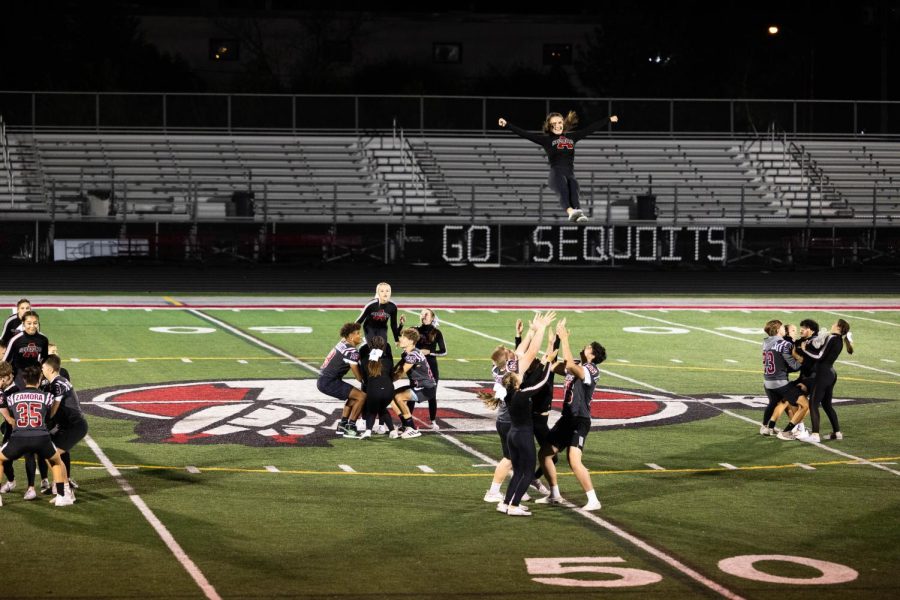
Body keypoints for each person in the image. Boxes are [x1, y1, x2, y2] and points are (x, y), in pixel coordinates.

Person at [498, 111, 619, 222]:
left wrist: (608, 119)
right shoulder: (546, 140)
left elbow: (590, 129)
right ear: (549, 126)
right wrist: (507, 124)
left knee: (574, 186)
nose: (557, 126)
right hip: (556, 174)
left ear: (563, 123)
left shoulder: (572, 137)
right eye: (553, 124)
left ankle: (578, 213)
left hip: (570, 173)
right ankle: (571, 212)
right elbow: (525, 134)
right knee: (564, 191)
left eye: (559, 122)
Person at [536, 319, 606, 511]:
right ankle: (554, 494)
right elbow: (554, 364)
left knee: (574, 461)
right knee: (544, 454)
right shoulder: (575, 363)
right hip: (567, 419)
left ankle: (593, 499)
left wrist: (565, 339)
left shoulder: (591, 370)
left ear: (592, 354)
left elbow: (571, 366)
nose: (584, 348)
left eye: (587, 347)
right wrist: (555, 341)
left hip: (579, 420)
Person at [498, 316, 558, 517]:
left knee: (517, 470)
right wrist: (540, 331)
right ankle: (514, 506)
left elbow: (524, 352)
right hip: (521, 433)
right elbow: (533, 358)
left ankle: (506, 503)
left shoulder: (508, 383)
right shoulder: (521, 393)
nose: (514, 354)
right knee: (526, 471)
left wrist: (532, 332)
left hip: (512, 431)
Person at [0, 365, 72, 507]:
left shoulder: (13, 397)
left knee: (1, 460)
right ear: (39, 379)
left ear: (24, 379)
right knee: (56, 461)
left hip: (19, 438)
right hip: (42, 437)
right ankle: (61, 497)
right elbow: (52, 414)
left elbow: (7, 412)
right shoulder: (47, 397)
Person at [787, 319, 853, 443]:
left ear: (838, 327)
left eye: (834, 324)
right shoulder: (838, 340)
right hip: (830, 373)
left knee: (813, 404)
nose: (832, 325)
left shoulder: (832, 338)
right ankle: (836, 433)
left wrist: (804, 349)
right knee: (827, 405)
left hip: (823, 374)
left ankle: (815, 435)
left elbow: (819, 356)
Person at [42, 354, 87, 495]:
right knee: (49, 453)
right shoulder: (59, 382)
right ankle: (61, 486)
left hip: (75, 426)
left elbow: (54, 408)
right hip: (70, 425)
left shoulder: (57, 383)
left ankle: (65, 489)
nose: (42, 369)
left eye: (43, 367)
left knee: (52, 455)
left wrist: (46, 420)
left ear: (50, 369)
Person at [317, 323, 366, 437]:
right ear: (350, 336)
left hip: (325, 379)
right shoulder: (352, 351)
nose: (360, 335)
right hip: (329, 381)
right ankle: (351, 427)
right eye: (358, 333)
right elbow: (358, 377)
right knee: (362, 396)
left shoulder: (342, 343)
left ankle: (343, 424)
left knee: (354, 396)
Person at [759, 319, 804, 436]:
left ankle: (765, 427)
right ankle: (798, 429)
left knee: (774, 402)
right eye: (783, 328)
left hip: (767, 381)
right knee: (802, 404)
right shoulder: (784, 344)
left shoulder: (765, 343)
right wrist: (803, 361)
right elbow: (794, 366)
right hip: (780, 382)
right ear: (778, 330)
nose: (785, 330)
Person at [390, 328, 436, 438]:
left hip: (426, 388)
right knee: (390, 396)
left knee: (399, 397)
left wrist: (384, 382)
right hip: (417, 386)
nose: (400, 339)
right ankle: (406, 425)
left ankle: (412, 428)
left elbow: (400, 372)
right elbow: (395, 369)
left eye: (403, 337)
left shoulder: (413, 355)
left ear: (411, 341)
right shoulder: (407, 353)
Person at [357, 336, 396, 440]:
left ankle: (368, 431)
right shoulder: (388, 360)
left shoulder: (366, 360)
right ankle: (392, 431)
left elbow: (364, 379)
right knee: (382, 408)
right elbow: (392, 375)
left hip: (374, 390)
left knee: (372, 410)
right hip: (389, 391)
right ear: (383, 346)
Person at [414, 308, 446, 430]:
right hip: (417, 366)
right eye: (422, 314)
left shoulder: (437, 332)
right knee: (412, 392)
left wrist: (430, 352)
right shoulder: (415, 330)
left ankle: (433, 421)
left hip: (431, 367)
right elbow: (405, 344)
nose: (424, 316)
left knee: (432, 395)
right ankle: (408, 421)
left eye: (427, 314)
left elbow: (444, 351)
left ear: (432, 318)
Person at [356, 282, 404, 361]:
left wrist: (396, 339)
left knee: (382, 352)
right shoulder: (371, 304)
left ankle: (378, 369)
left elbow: (393, 324)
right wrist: (349, 334)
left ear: (391, 292)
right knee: (373, 350)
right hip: (369, 327)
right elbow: (359, 320)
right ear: (378, 293)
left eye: (387, 291)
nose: (385, 293)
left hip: (382, 328)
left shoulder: (393, 306)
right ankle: (365, 348)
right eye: (382, 291)